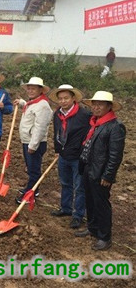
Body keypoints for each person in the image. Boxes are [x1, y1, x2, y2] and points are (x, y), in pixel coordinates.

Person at [75, 91, 126, 251]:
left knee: (101, 203)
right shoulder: (95, 123)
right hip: (89, 168)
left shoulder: (115, 127)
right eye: (94, 104)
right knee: (90, 200)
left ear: (109, 107)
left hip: (101, 172)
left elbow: (115, 155)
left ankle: (104, 237)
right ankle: (92, 227)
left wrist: (108, 175)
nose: (96, 107)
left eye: (100, 104)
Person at [49, 84, 91, 229]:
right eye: (60, 99)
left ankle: (78, 215)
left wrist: (85, 152)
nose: (63, 101)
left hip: (78, 157)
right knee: (65, 183)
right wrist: (57, 149)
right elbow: (57, 133)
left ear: (73, 98)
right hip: (63, 155)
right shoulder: (57, 114)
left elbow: (90, 134)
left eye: (66, 98)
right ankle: (65, 208)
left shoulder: (84, 115)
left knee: (79, 187)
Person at [13, 77, 52, 204]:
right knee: (31, 168)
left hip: (34, 143)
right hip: (27, 141)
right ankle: (34, 190)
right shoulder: (34, 102)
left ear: (40, 90)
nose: (30, 91)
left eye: (33, 88)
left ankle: (30, 193)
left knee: (34, 170)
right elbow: (31, 107)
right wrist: (22, 102)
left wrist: (33, 145)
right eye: (29, 88)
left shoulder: (43, 106)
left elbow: (40, 127)